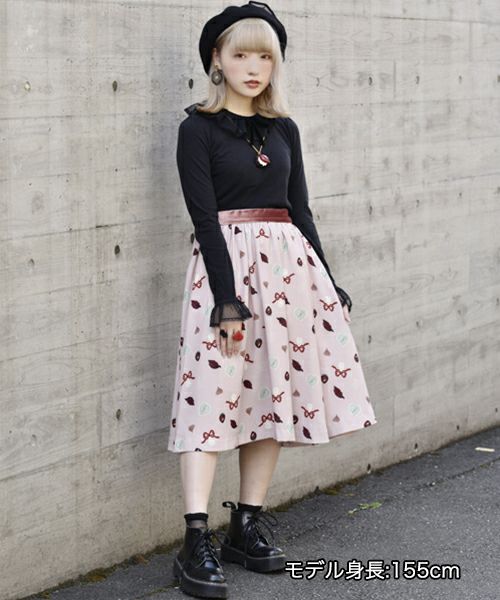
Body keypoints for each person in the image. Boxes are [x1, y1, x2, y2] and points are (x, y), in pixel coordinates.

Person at [168, 2, 378, 598]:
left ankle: (246, 524)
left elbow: (299, 209)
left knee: (268, 394)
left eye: (265, 56)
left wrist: (328, 281)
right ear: (217, 59)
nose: (254, 67)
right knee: (209, 399)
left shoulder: (284, 129)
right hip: (226, 275)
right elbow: (204, 220)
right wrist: (226, 300)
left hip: (290, 274)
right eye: (241, 54)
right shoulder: (197, 130)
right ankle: (194, 538)